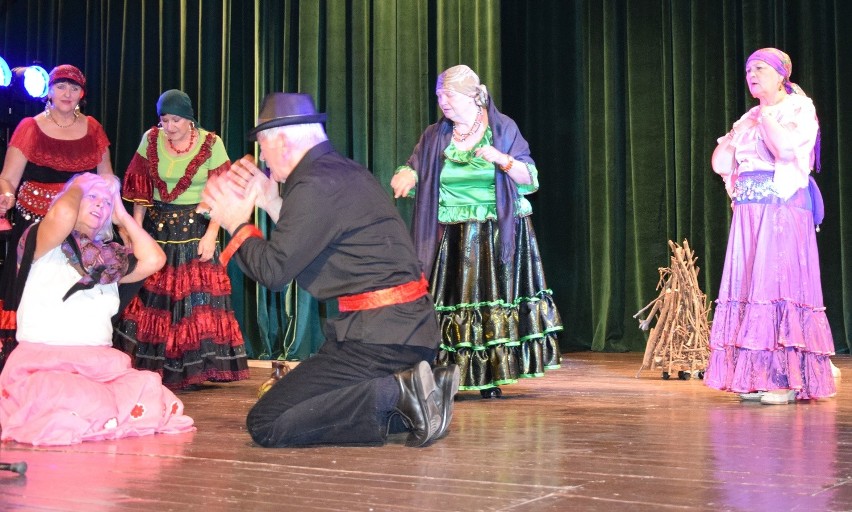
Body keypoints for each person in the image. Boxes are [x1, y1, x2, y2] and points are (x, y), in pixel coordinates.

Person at [201, 92, 459, 447]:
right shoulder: (338, 172)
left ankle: (401, 392)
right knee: (315, 407)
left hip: (378, 341)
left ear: (281, 140)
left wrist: (235, 223)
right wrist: (270, 199)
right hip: (403, 336)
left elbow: (275, 271)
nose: (262, 158)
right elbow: (312, 245)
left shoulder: (314, 185)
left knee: (267, 421)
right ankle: (415, 394)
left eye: (263, 144)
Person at [390, 65, 563, 399]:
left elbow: (530, 179)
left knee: (488, 303)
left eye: (449, 95)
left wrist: (502, 159)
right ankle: (448, 377)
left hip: (494, 231)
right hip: (450, 234)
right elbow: (414, 166)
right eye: (439, 94)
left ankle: (490, 377)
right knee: (452, 305)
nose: (442, 101)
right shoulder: (435, 135)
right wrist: (407, 175)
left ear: (472, 96)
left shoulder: (501, 129)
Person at [0, 173, 194, 445]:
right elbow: (64, 215)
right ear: (72, 198)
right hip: (46, 366)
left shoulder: (111, 261)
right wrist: (81, 183)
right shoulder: (41, 242)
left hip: (101, 367)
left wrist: (122, 215)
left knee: (150, 393)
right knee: (83, 399)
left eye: (105, 203)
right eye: (91, 197)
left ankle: (101, 417)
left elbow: (154, 258)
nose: (100, 205)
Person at [704, 48, 836, 405]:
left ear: (781, 74)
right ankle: (754, 377)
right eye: (748, 69)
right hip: (749, 211)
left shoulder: (798, 109)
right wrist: (736, 133)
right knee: (750, 287)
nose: (752, 74)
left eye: (760, 68)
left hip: (782, 206)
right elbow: (720, 164)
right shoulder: (750, 114)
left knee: (778, 284)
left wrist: (764, 118)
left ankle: (786, 380)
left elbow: (785, 152)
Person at [115, 89, 249, 390]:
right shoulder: (150, 139)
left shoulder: (211, 144)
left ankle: (196, 369)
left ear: (189, 119)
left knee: (193, 301)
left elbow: (223, 191)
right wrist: (136, 234)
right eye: (164, 120)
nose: (170, 127)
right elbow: (141, 191)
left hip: (196, 227)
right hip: (158, 228)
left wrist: (212, 235)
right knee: (152, 297)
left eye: (176, 120)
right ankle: (151, 365)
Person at [0, 64, 113, 373]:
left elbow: (107, 181)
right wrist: (6, 194)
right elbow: (8, 178)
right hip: (36, 227)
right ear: (48, 91)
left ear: (82, 95)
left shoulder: (93, 128)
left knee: (74, 294)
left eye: (74, 88)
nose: (67, 93)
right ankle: (29, 369)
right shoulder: (29, 127)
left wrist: (117, 221)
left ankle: (73, 366)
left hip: (81, 229)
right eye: (61, 86)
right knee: (36, 293)